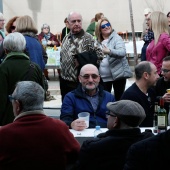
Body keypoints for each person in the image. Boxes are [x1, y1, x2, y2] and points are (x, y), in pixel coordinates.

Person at [0, 81, 80, 170]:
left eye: (12, 99)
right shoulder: (59, 128)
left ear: (18, 105)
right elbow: (77, 153)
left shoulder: (4, 134)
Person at [76, 100, 154, 170]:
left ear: (116, 121)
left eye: (109, 114)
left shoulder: (92, 147)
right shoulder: (148, 141)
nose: (107, 117)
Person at [0, 32, 45, 126]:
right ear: (24, 48)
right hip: (33, 118)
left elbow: (1, 99)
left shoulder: (3, 68)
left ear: (5, 50)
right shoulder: (34, 67)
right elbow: (42, 92)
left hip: (10, 120)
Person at [60, 11, 104, 102]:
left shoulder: (88, 38)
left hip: (80, 83)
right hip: (65, 81)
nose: (77, 23)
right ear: (68, 23)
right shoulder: (66, 37)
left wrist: (81, 59)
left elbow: (100, 55)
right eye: (73, 21)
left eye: (79, 21)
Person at [60, 64, 115, 131]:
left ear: (99, 78)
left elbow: (116, 119)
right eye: (86, 77)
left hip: (105, 134)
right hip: (81, 134)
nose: (90, 80)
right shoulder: (70, 97)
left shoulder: (109, 97)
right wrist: (71, 124)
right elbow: (64, 121)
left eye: (94, 76)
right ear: (80, 79)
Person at [95, 17, 133, 101]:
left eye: (108, 24)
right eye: (103, 26)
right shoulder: (97, 42)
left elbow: (122, 52)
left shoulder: (117, 38)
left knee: (119, 100)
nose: (106, 27)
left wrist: (109, 51)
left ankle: (118, 115)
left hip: (118, 76)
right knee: (104, 100)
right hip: (104, 77)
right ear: (99, 29)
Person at [121, 61, 159, 127]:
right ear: (146, 75)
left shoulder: (151, 91)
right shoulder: (130, 96)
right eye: (155, 73)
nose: (158, 76)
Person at [146, 11, 170, 75]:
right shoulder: (157, 37)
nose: (146, 22)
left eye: (149, 20)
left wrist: (164, 69)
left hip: (159, 75)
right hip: (153, 74)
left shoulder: (164, 37)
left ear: (156, 21)